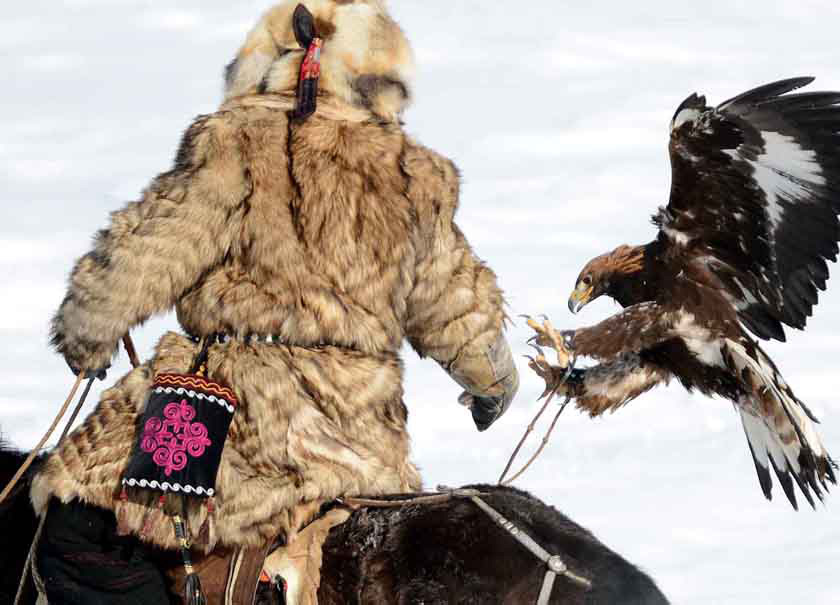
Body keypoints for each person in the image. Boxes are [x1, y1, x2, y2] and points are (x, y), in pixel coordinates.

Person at [30, 1, 519, 602]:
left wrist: (87, 331)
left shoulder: (237, 144)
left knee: (77, 531)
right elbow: (452, 300)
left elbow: (148, 252)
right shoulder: (415, 175)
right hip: (359, 449)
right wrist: (491, 378)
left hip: (230, 436)